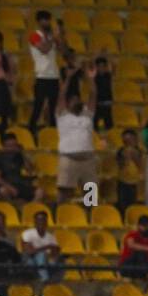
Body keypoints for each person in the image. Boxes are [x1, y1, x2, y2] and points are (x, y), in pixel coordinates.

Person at [56, 62, 97, 202]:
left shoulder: (87, 115)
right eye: (72, 100)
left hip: (88, 159)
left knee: (90, 194)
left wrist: (90, 78)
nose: (76, 101)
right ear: (67, 104)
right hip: (69, 159)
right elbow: (62, 94)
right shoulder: (62, 115)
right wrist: (68, 78)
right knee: (64, 193)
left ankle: (90, 218)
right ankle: (60, 216)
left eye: (78, 99)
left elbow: (93, 94)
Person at [27, 10, 63, 135]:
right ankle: (31, 128)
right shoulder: (34, 35)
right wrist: (53, 37)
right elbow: (44, 49)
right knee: (39, 105)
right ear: (39, 21)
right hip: (42, 75)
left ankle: (52, 130)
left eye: (48, 20)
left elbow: (63, 51)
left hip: (54, 75)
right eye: (45, 20)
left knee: (53, 107)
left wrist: (60, 37)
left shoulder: (50, 36)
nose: (47, 22)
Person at [0, 131, 43, 202]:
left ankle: (29, 209)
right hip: (6, 185)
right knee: (3, 191)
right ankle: (11, 210)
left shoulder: (19, 155)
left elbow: (29, 170)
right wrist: (9, 187)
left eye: (14, 145)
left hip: (19, 184)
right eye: (10, 146)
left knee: (40, 192)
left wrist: (23, 153)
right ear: (4, 146)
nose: (13, 148)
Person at [21, 208, 62, 281]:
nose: (41, 222)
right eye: (39, 219)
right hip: (29, 259)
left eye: (43, 220)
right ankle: (44, 279)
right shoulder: (27, 234)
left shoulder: (51, 237)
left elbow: (55, 252)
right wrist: (47, 247)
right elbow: (29, 251)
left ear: (46, 222)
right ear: (35, 221)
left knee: (52, 260)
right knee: (41, 255)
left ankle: (47, 279)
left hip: (47, 261)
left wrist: (50, 253)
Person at [119, 213, 148, 281]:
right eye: (144, 225)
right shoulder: (132, 235)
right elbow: (131, 245)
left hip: (143, 268)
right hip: (128, 266)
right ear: (138, 226)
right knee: (139, 253)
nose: (146, 228)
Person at [116, 128, 143, 208]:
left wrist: (134, 156)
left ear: (134, 138)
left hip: (133, 182)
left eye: (129, 138)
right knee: (122, 204)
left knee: (132, 204)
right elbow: (119, 165)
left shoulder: (138, 151)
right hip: (122, 181)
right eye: (125, 138)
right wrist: (125, 159)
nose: (127, 141)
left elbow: (140, 165)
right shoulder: (121, 150)